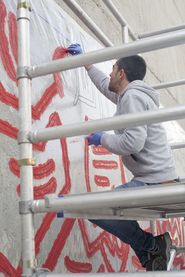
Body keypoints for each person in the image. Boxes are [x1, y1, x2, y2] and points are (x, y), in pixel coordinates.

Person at [67, 44, 178, 271]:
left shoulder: (132, 97)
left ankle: (150, 246)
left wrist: (103, 139)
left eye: (113, 68)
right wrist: (87, 63)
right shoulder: (129, 95)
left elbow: (132, 142)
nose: (109, 73)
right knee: (97, 208)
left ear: (121, 73)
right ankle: (151, 248)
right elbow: (105, 86)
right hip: (154, 177)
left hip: (154, 181)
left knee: (94, 208)